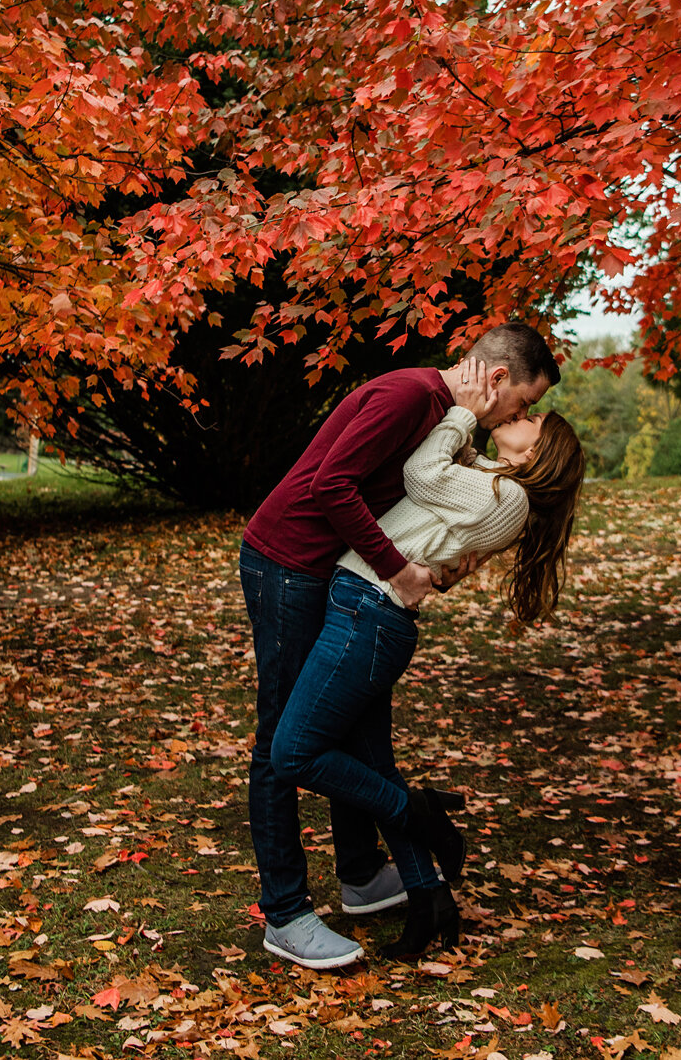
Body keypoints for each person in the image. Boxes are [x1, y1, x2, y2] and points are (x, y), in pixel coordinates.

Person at [240, 323, 560, 969]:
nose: (521, 415)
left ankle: (360, 875)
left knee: (349, 729)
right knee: (283, 743)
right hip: (289, 563)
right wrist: (400, 569)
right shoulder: (411, 397)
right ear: (496, 381)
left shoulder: (443, 419)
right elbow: (332, 485)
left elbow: (431, 498)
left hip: (333, 574)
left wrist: (438, 556)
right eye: (523, 404)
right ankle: (286, 912)